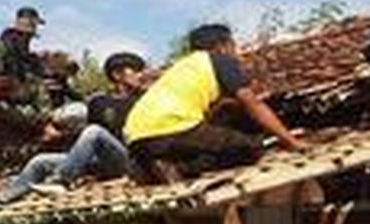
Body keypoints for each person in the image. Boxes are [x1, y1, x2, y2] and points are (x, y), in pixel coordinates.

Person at [124, 23, 305, 181]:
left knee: (210, 141)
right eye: (234, 46)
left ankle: (149, 169)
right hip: (170, 128)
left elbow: (208, 114)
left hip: (136, 137)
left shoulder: (182, 67)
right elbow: (254, 104)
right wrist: (291, 142)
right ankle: (179, 169)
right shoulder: (220, 60)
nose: (236, 52)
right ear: (222, 47)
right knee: (249, 148)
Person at [0, 52, 149, 208]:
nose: (141, 75)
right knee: (40, 161)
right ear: (117, 74)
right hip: (99, 162)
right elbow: (86, 135)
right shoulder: (98, 102)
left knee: (95, 132)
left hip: (126, 161)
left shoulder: (143, 101)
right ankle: (1, 200)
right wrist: (61, 136)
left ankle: (61, 181)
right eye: (136, 70)